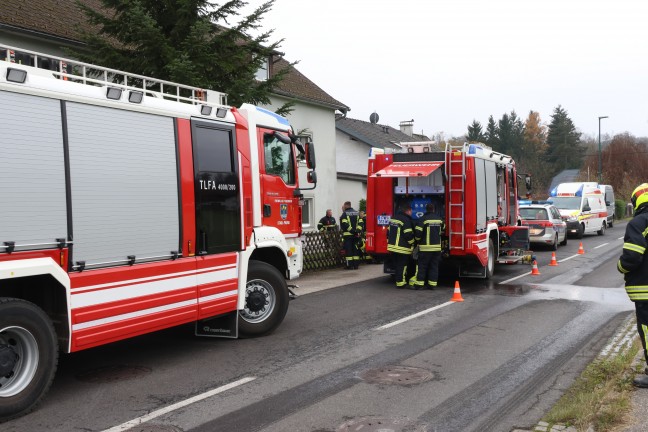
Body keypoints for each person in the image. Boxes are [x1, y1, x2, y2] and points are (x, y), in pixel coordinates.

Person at [617, 183, 648, 388]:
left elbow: (631, 258)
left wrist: (620, 267)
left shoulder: (639, 222)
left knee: (647, 330)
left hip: (645, 290)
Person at [410, 203, 445, 289]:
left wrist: (417, 241)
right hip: (437, 248)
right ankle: (432, 285)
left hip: (425, 248)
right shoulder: (439, 219)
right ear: (433, 209)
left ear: (426, 210)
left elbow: (418, 232)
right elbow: (443, 228)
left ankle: (419, 285)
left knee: (422, 266)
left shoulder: (423, 219)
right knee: (434, 266)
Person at [387, 202, 415, 288]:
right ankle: (401, 283)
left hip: (392, 247)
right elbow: (408, 235)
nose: (411, 213)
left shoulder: (393, 218)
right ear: (408, 211)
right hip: (402, 248)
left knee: (398, 266)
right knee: (402, 266)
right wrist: (413, 243)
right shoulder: (406, 220)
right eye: (411, 211)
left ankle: (399, 280)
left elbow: (388, 232)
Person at [340, 201, 362, 269]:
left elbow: (345, 225)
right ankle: (356, 265)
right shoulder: (356, 213)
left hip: (348, 236)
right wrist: (357, 231)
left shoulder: (344, 214)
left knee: (349, 250)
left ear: (346, 206)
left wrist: (353, 231)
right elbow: (361, 223)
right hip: (356, 236)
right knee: (355, 250)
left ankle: (349, 265)